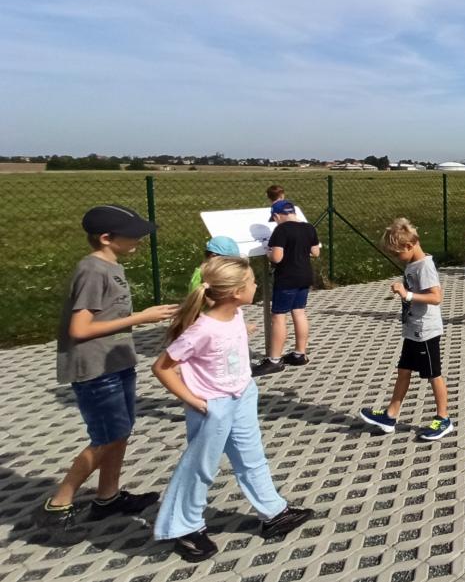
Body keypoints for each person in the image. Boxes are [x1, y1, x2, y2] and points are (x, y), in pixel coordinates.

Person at [152, 257, 313, 561]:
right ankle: (184, 528)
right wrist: (195, 401)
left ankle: (273, 512)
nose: (256, 285)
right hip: (212, 406)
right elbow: (162, 367)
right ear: (237, 292)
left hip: (242, 395)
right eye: (252, 282)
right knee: (200, 468)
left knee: (252, 458)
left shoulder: (236, 313)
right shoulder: (202, 330)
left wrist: (243, 333)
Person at [35, 206, 179, 533]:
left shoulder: (110, 266)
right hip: (96, 368)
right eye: (133, 235)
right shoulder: (92, 270)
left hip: (117, 363)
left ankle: (107, 497)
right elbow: (80, 329)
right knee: (106, 437)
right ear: (106, 238)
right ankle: (57, 504)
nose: (139, 239)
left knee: (120, 432)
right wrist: (141, 317)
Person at [359, 219, 453, 441]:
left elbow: (436, 297)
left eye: (397, 254)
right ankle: (390, 415)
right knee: (403, 371)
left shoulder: (424, 266)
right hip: (413, 329)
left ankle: (444, 418)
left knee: (433, 374)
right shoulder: (413, 264)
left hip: (426, 331)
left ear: (409, 246)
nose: (396, 258)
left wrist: (407, 294)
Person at [251, 200, 320, 377]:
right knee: (299, 312)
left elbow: (277, 257)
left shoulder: (281, 230)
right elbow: (316, 252)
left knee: (279, 316)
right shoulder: (309, 228)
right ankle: (300, 353)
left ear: (276, 216)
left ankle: (274, 359)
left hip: (287, 277)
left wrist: (268, 253)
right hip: (305, 275)